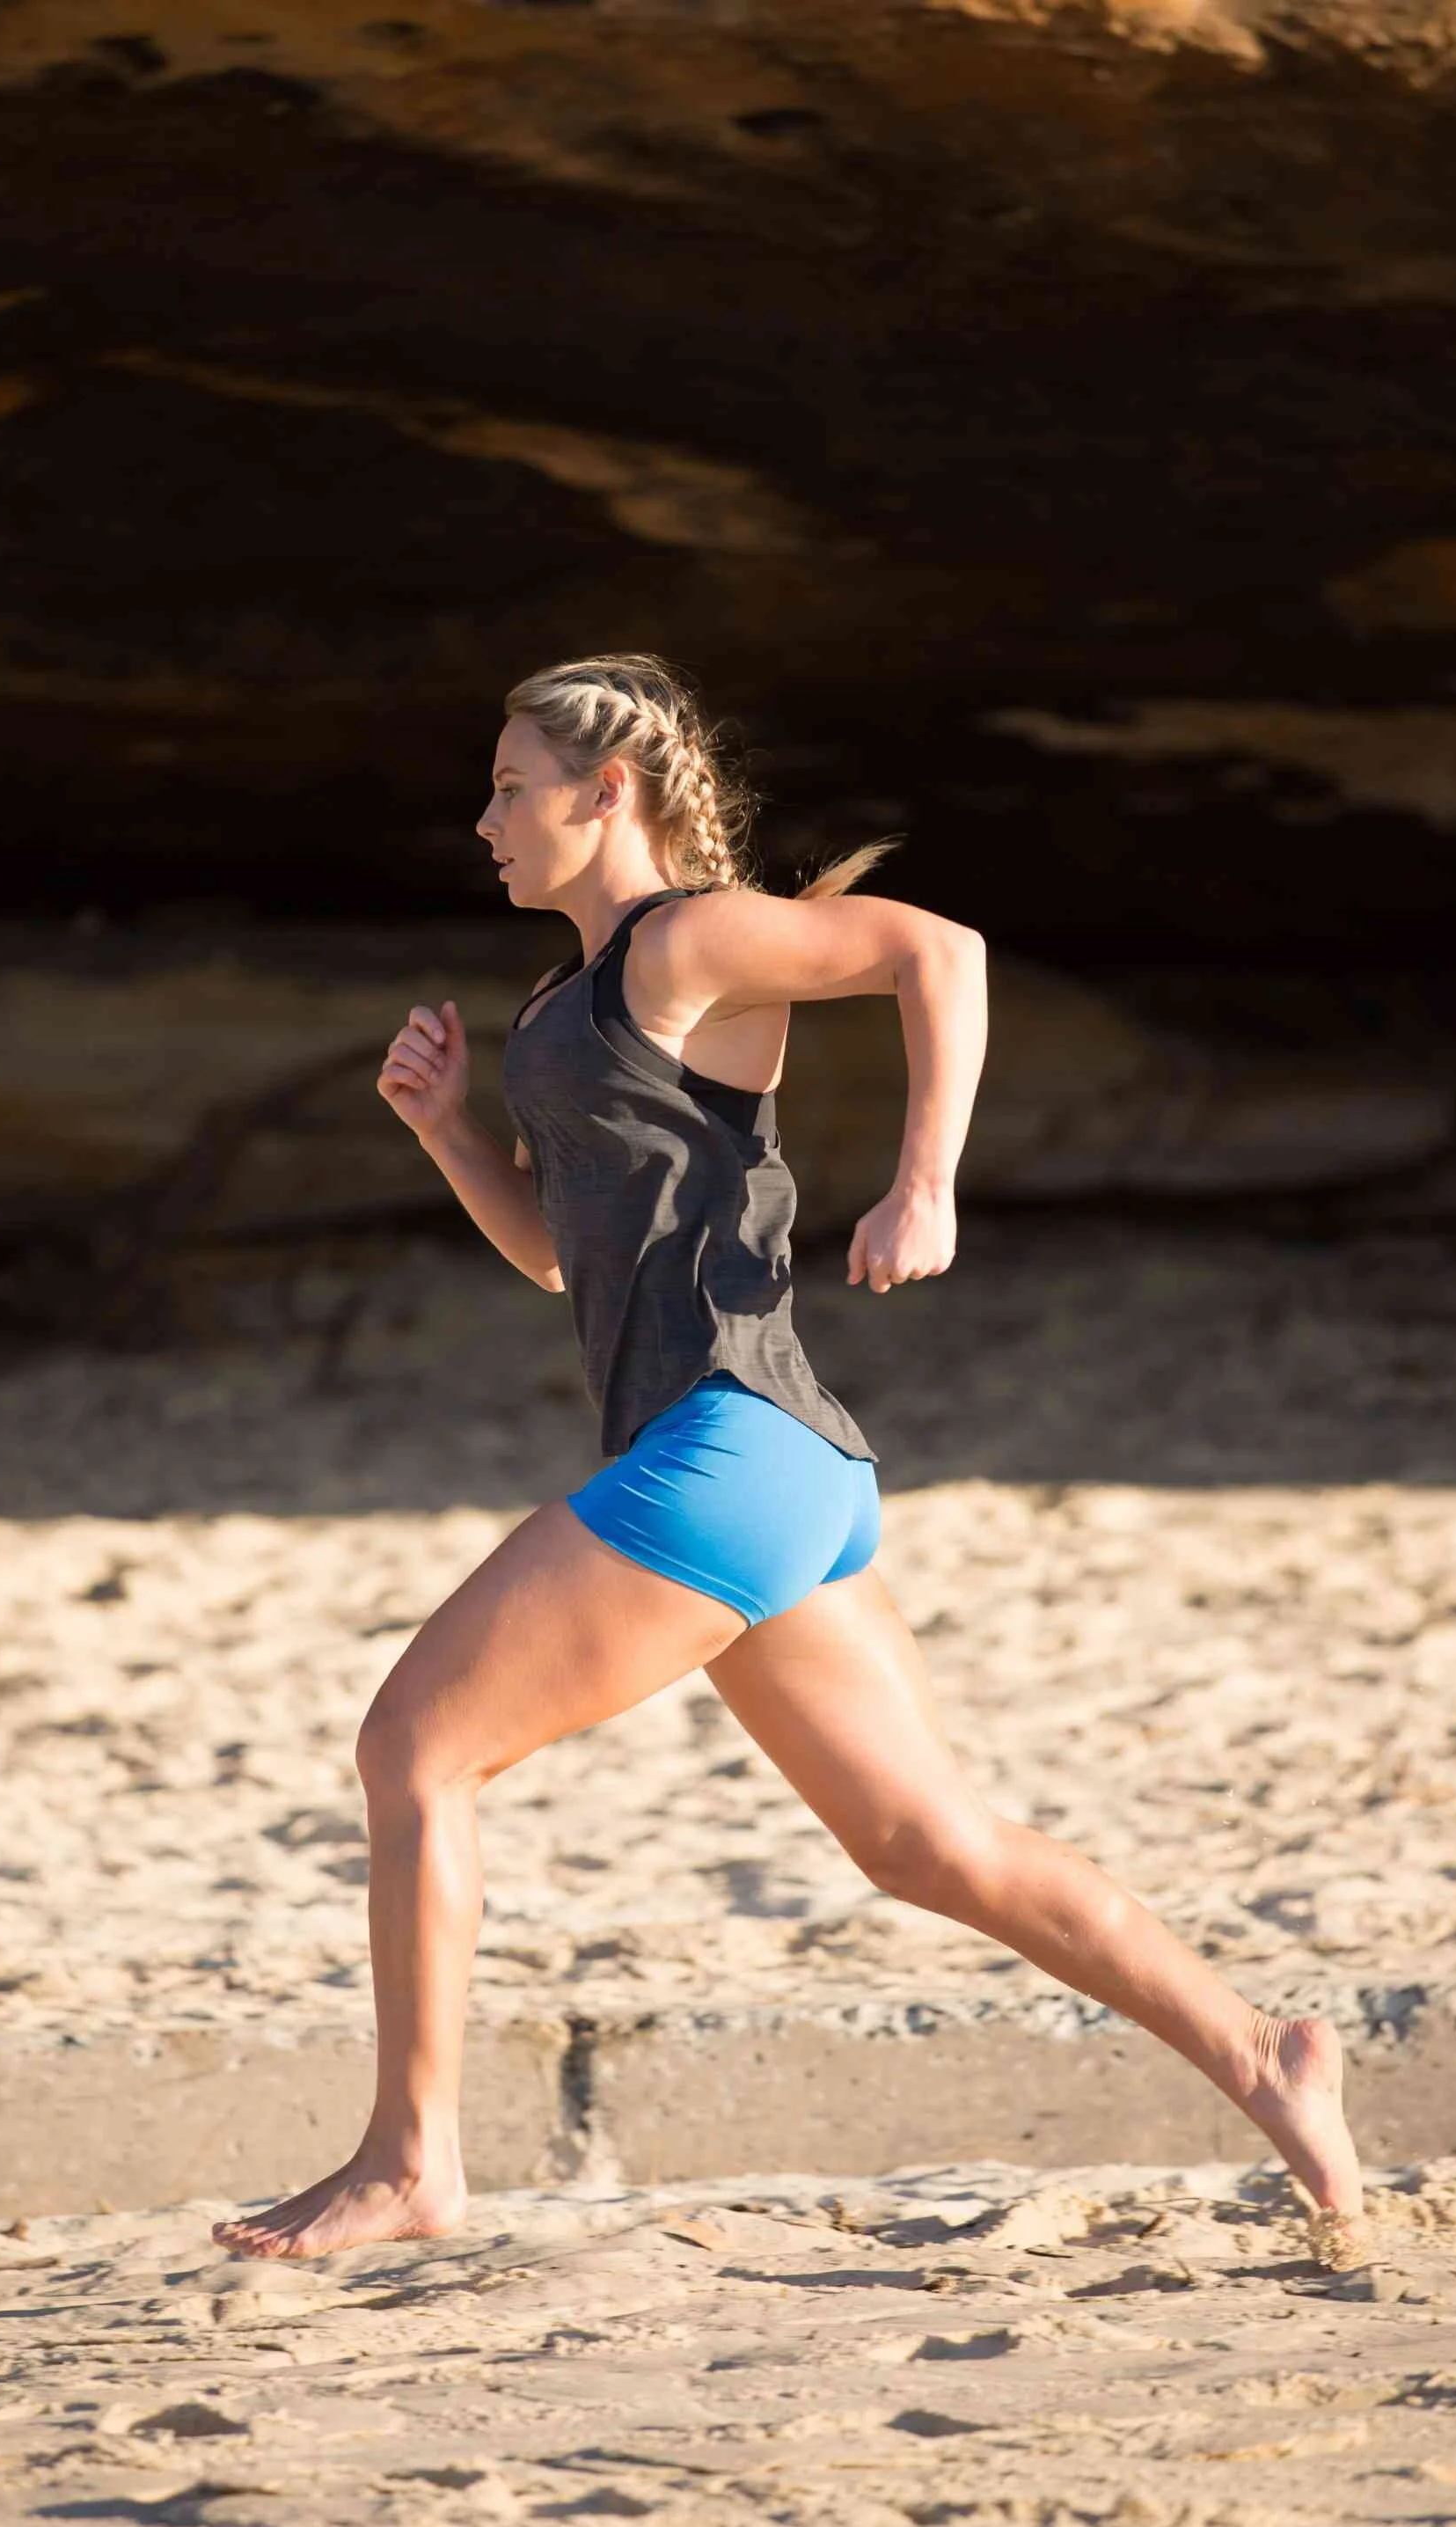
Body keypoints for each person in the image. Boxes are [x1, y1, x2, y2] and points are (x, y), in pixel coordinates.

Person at [214, 653, 1365, 2267]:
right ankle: (1266, 2055)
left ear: (606, 791)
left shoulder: (685, 938)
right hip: (781, 1465)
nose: (484, 819)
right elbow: (556, 1255)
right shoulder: (560, 1001)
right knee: (929, 1848)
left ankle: (412, 2162)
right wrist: (450, 1132)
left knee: (415, 1750)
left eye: (511, 786)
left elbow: (938, 951)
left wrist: (925, 1181)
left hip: (730, 1449)